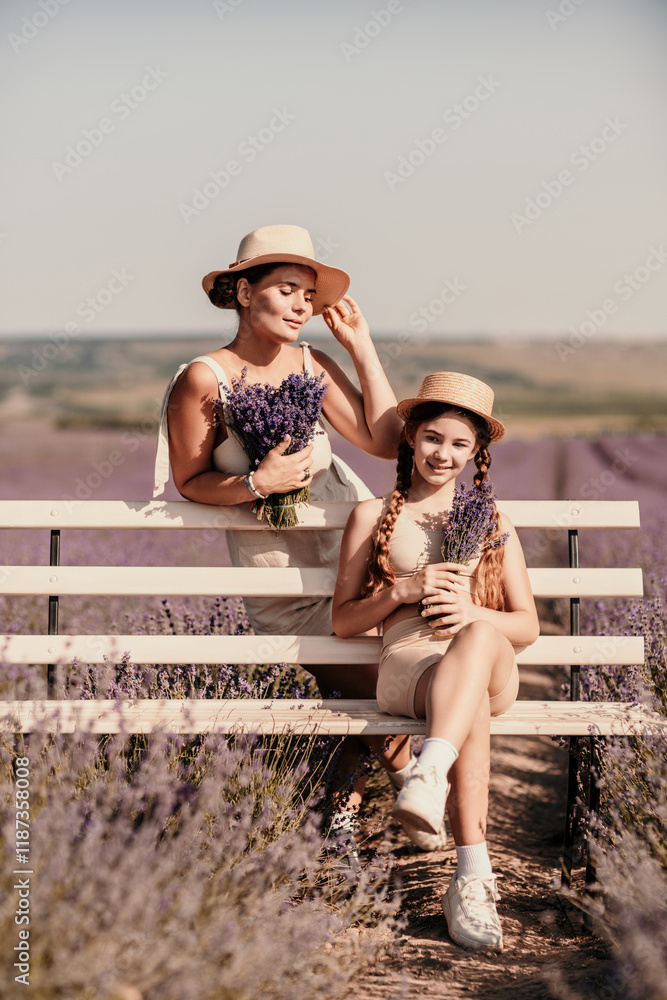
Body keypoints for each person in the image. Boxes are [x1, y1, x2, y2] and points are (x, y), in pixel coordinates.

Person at [153, 224, 441, 852]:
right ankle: (406, 786)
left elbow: (387, 441)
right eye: (287, 290)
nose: (303, 306)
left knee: (377, 673)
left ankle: (353, 803)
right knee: (351, 681)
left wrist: (362, 347)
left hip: (349, 545)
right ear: (242, 290)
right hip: (276, 563)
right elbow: (191, 480)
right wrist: (259, 483)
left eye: (308, 295)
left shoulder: (314, 363)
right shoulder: (205, 380)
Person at [332, 371, 539, 951]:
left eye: (458, 444)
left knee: (474, 643)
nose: (442, 454)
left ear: (477, 454)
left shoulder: (493, 521)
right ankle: (472, 878)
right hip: (412, 665)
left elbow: (527, 625)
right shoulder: (373, 516)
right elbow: (344, 620)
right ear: (410, 440)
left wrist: (474, 609)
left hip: (485, 658)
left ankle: (427, 773)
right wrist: (399, 592)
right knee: (463, 699)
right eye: (431, 438)